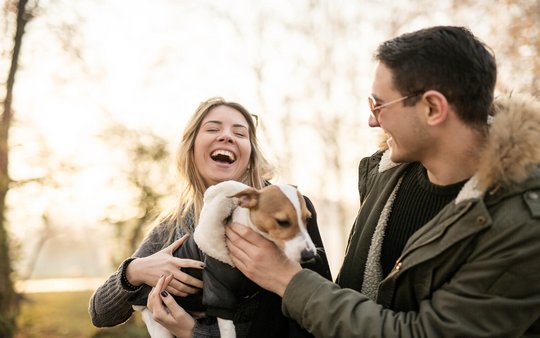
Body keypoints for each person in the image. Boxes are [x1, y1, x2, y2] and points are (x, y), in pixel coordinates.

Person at [225, 26, 540, 337]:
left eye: (378, 105)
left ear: (433, 108)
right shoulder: (383, 175)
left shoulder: (524, 224)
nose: (372, 120)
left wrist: (286, 280)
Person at [89, 97, 332, 337]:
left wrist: (195, 333)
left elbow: (317, 319)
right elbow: (100, 314)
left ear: (250, 155)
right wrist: (135, 271)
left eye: (240, 133)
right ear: (191, 147)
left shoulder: (288, 208)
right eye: (213, 129)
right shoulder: (174, 223)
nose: (226, 136)